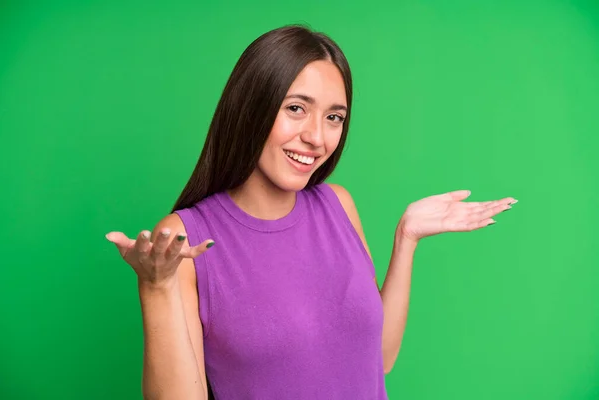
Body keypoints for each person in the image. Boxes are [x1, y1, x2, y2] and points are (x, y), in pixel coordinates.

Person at [106, 24, 517, 400]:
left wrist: (405, 238)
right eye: (296, 109)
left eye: (334, 117)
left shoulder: (338, 205)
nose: (317, 138)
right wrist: (156, 288)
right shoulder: (187, 236)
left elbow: (378, 360)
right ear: (253, 106)